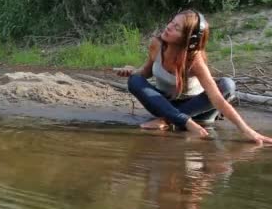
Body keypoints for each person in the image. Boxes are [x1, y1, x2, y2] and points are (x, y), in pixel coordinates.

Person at [116, 10, 272, 145]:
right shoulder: (157, 44)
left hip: (197, 109)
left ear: (187, 39)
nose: (169, 26)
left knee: (227, 85)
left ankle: (168, 120)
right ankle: (182, 120)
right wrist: (132, 71)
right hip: (163, 104)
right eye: (172, 21)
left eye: (176, 27)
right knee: (135, 80)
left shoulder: (194, 59)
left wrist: (247, 130)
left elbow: (217, 99)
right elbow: (146, 72)